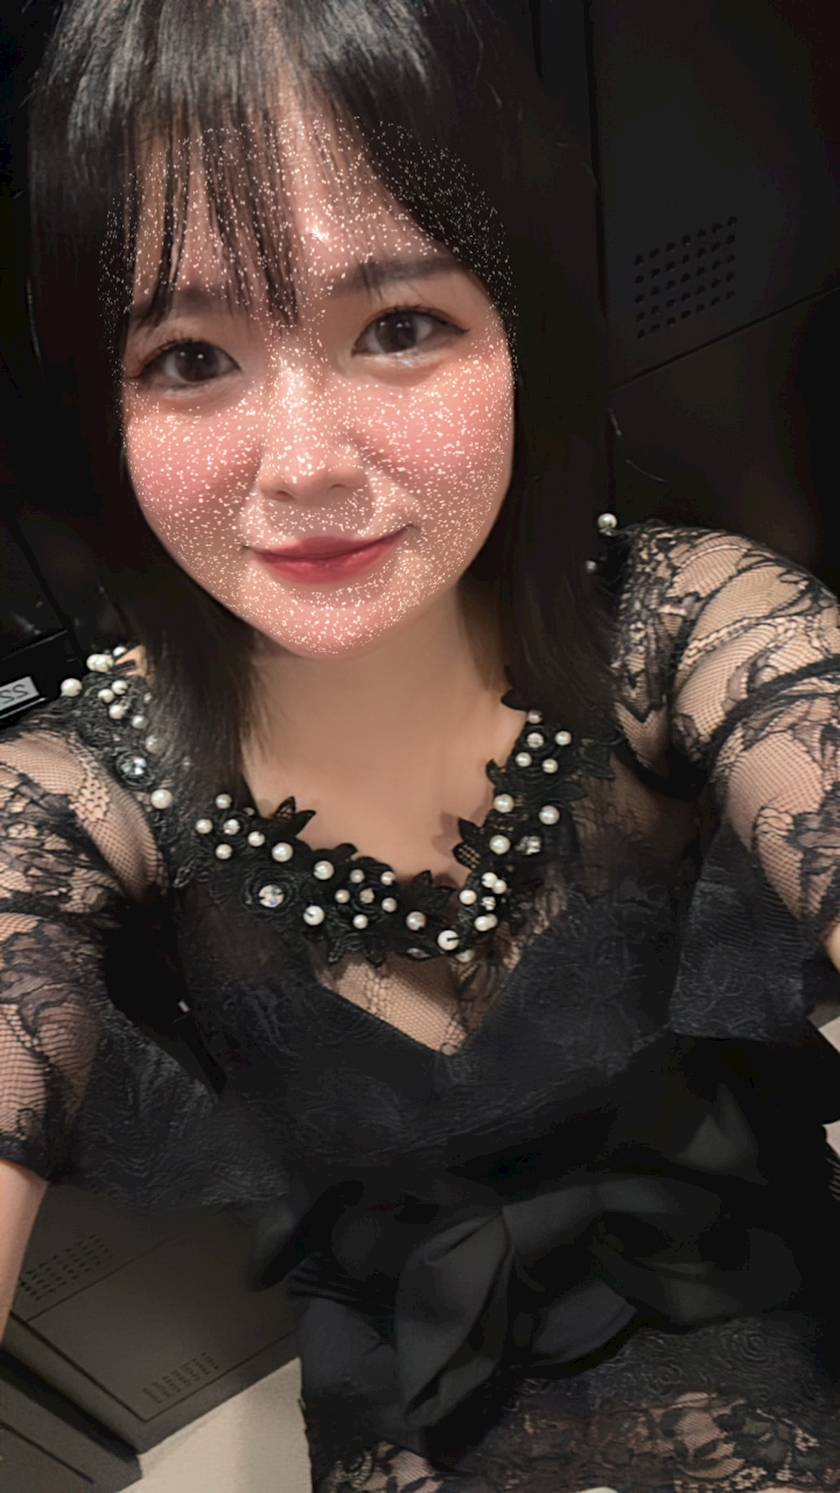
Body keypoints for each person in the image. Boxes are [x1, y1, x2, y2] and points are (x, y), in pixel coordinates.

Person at [2, 2, 840, 1489]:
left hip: (741, 1258)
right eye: (189, 357)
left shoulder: (704, 629)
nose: (306, 464)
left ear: (521, 334)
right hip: (411, 1357)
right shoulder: (61, 805)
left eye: (399, 327)